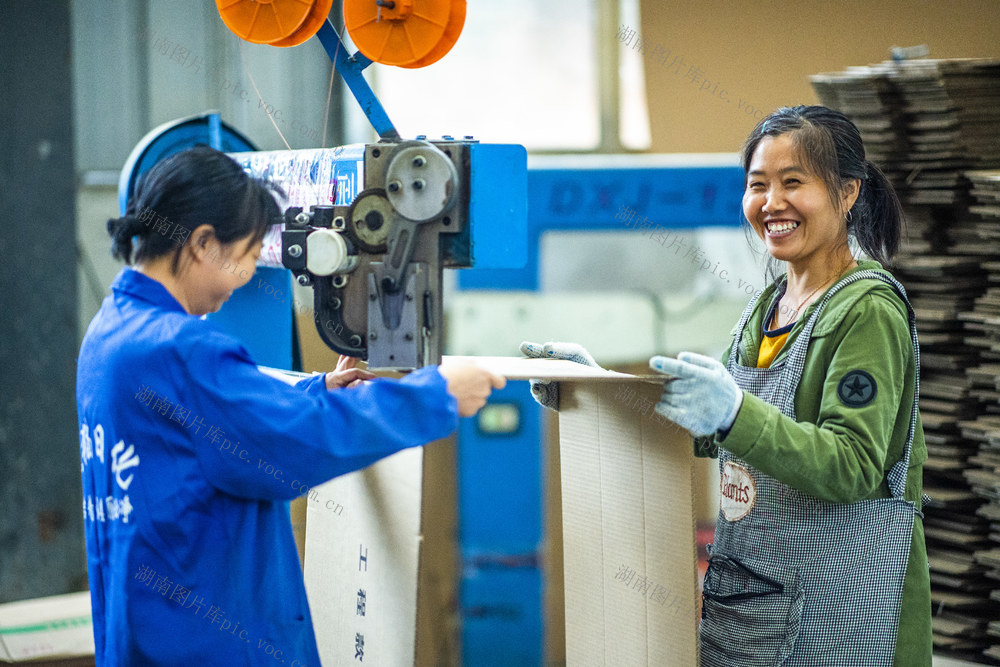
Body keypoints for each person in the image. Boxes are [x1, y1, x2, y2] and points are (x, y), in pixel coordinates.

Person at [523, 105, 930, 666]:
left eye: (794, 183)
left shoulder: (867, 310)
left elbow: (853, 465)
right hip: (751, 604)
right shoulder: (764, 309)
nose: (771, 203)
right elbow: (705, 427)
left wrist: (735, 415)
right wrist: (596, 391)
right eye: (757, 185)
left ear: (848, 193)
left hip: (840, 618)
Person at [78, 146, 504, 665]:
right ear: (203, 244)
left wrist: (313, 392)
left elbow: (210, 426)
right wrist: (436, 394)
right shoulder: (180, 349)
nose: (247, 276)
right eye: (252, 254)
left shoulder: (109, 334)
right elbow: (289, 448)